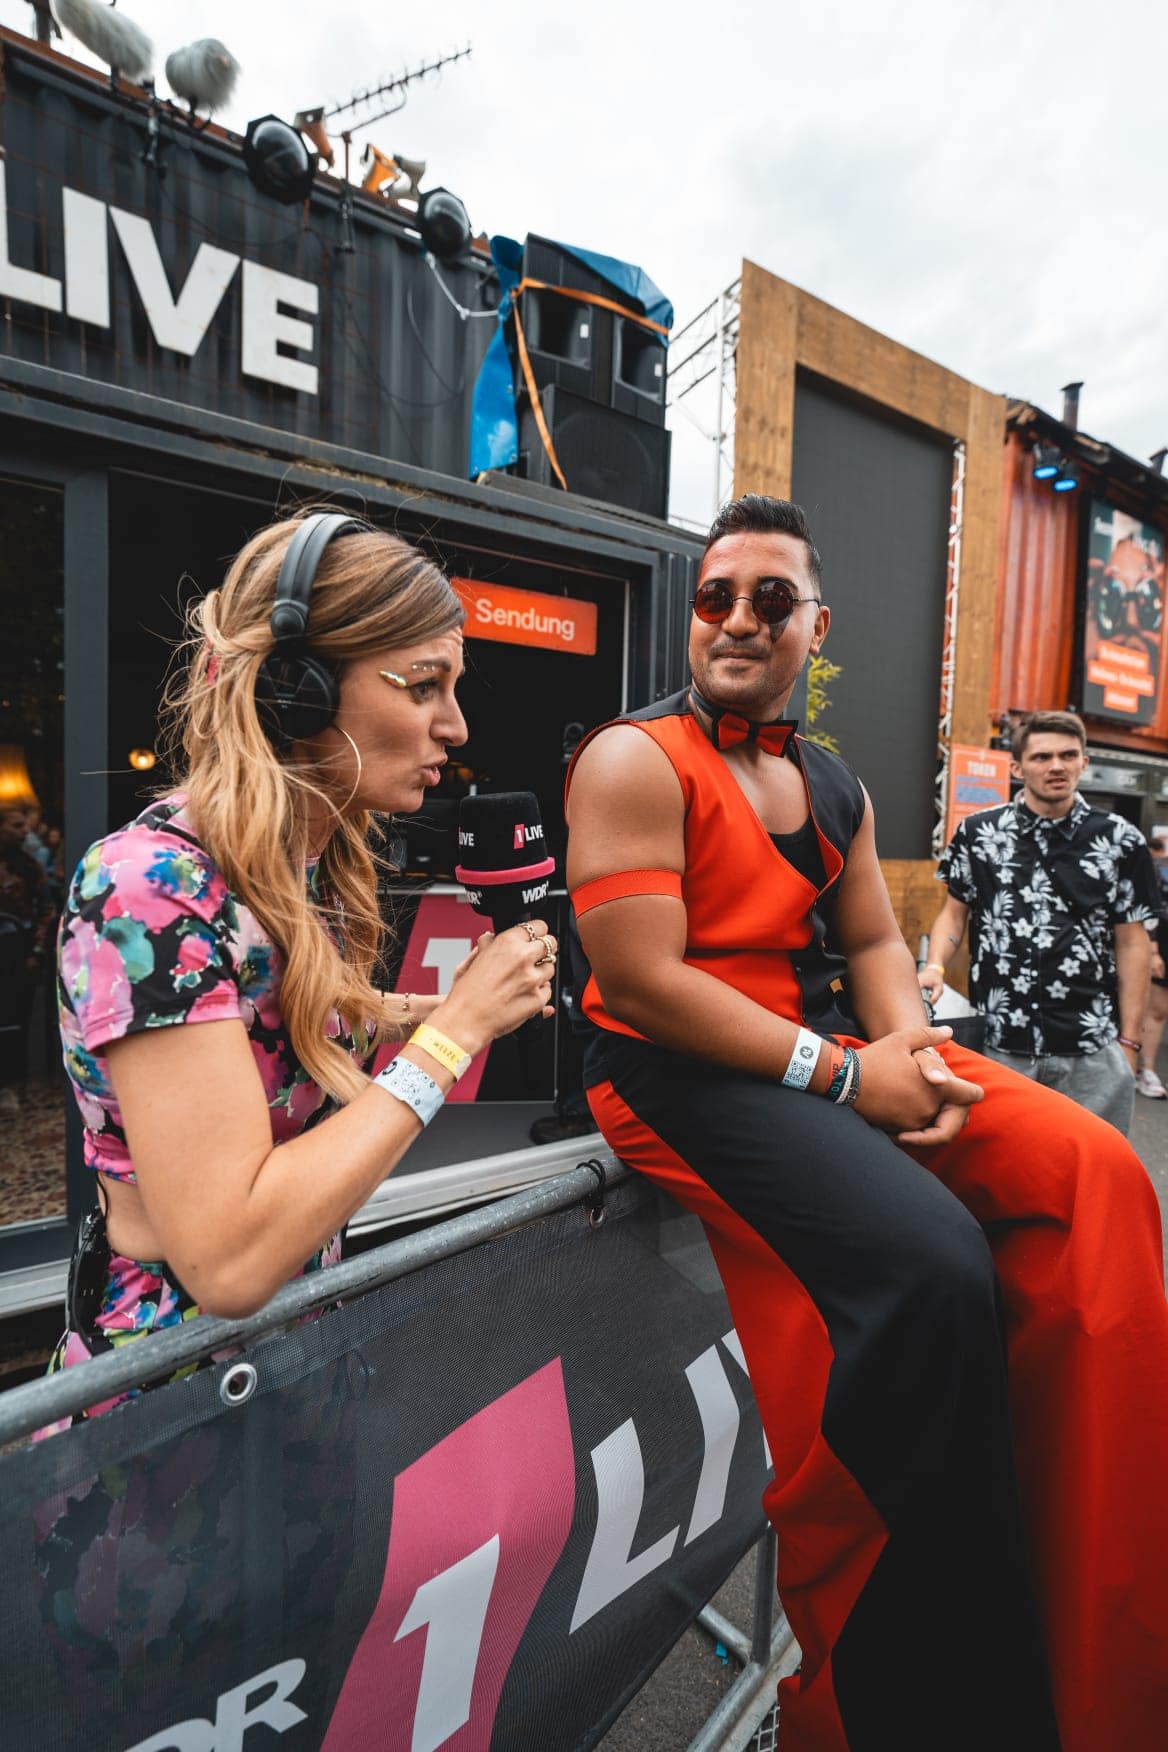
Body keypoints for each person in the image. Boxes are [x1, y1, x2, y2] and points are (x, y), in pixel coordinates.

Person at [564, 494, 1168, 1752]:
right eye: (716, 595)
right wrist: (849, 1081)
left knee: (1096, 1173)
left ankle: (1100, 1658)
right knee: (931, 1272)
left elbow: (878, 942)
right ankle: (900, 1706)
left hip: (824, 1052)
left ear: (816, 625)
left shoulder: (830, 781)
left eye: (770, 598)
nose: (737, 618)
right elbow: (641, 984)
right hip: (679, 1073)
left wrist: (911, 1058)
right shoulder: (632, 757)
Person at [46, 511, 557, 1424]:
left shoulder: (303, 866)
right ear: (298, 692)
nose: (455, 726)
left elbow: (271, 1020)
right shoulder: (147, 890)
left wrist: (423, 1009)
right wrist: (454, 1032)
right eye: (423, 685)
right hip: (171, 1413)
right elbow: (232, 1260)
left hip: (295, 1378)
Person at [919, 710, 1158, 1135]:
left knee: (1093, 1165)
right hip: (1001, 1042)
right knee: (1003, 1164)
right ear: (1017, 767)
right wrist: (935, 965)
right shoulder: (978, 833)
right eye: (1042, 757)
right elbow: (954, 913)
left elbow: (1132, 943)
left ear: (1084, 762)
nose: (1056, 766)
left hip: (1092, 1046)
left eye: (1068, 755)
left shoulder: (1121, 839)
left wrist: (1129, 1043)